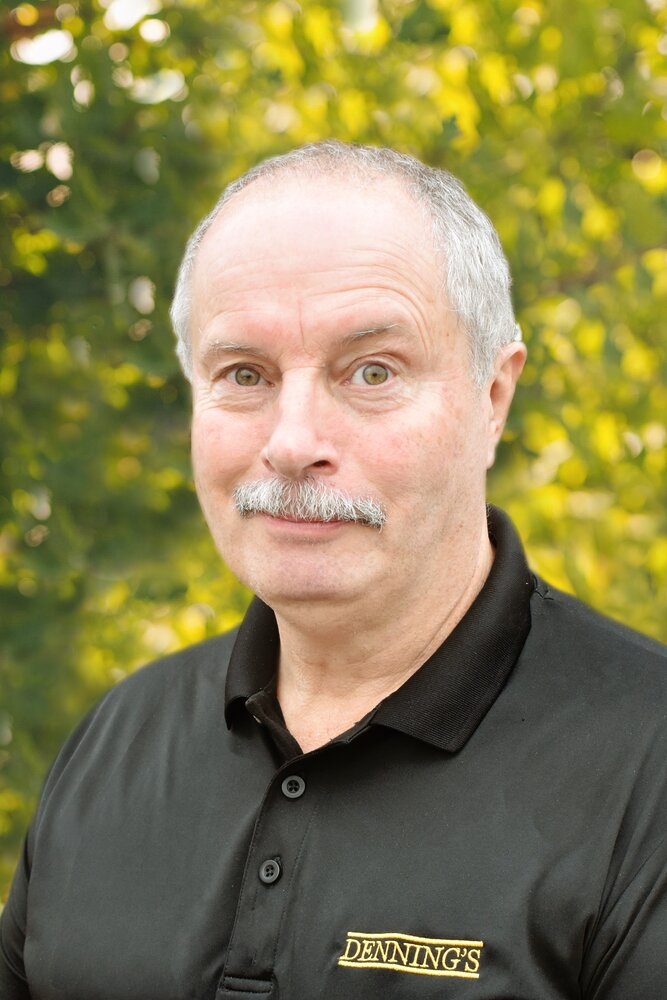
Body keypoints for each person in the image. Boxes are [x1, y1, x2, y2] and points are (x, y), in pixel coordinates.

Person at [1, 141, 666, 999]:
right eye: (244, 374)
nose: (291, 442)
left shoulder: (647, 767)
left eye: (372, 371)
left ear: (492, 398)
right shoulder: (116, 740)